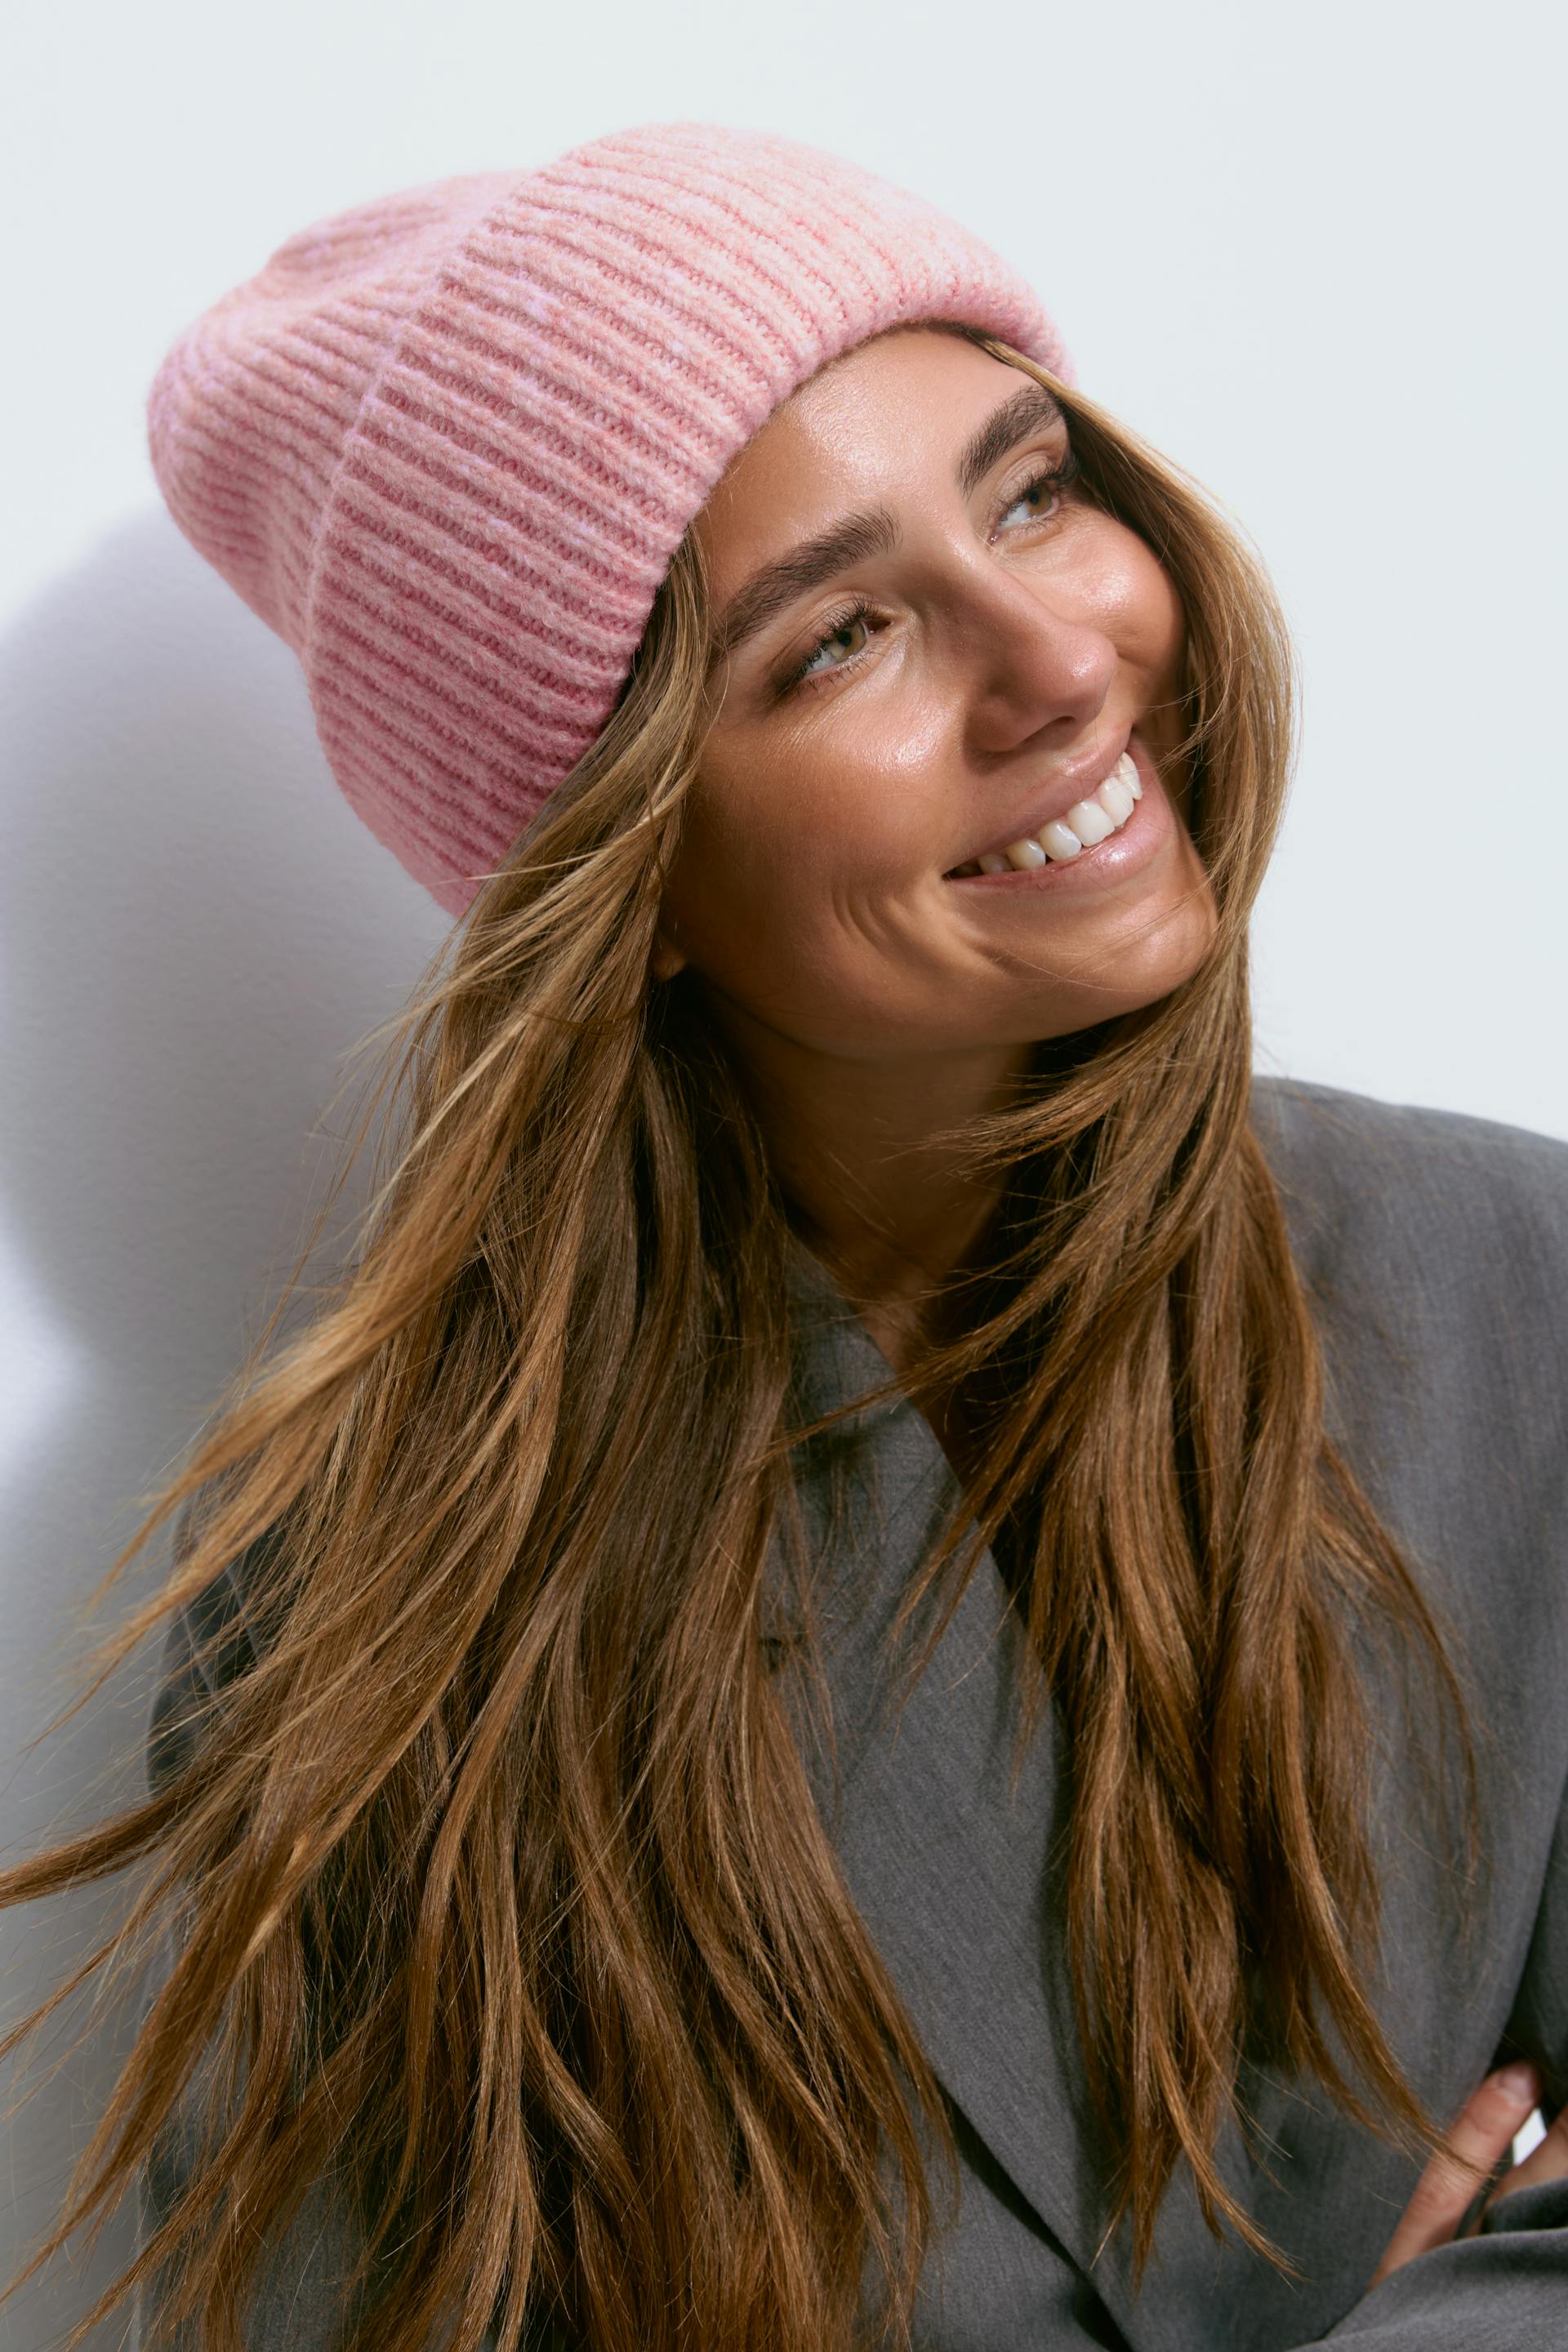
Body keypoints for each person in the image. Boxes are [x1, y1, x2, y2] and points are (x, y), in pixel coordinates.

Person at [1, 120, 1564, 2352]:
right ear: (623, 874)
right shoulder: (381, 1639)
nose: (1060, 656)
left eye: (1032, 492)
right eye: (840, 641)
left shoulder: (1525, 1293)